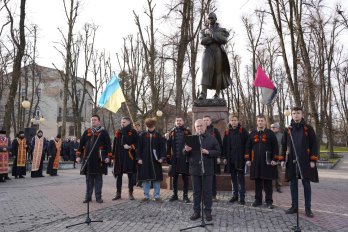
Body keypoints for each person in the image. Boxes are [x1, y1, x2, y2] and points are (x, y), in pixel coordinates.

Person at [281, 106, 319, 218]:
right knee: (293, 184)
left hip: (305, 161)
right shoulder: (288, 129)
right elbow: (283, 145)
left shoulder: (308, 128)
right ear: (291, 115)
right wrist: (283, 158)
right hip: (292, 160)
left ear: (302, 114)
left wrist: (313, 159)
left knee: (306, 184)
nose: (296, 115)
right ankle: (294, 207)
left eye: (298, 113)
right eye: (294, 113)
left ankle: (308, 208)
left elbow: (314, 144)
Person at [184, 119, 221, 221]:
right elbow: (185, 153)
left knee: (208, 192)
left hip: (207, 169)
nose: (199, 128)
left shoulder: (212, 138)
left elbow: (218, 151)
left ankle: (208, 211)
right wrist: (186, 151)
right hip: (195, 169)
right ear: (195, 128)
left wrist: (208, 152)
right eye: (197, 126)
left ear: (205, 126)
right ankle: (196, 211)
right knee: (196, 192)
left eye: (201, 126)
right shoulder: (191, 138)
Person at [245, 115, 279, 209]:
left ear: (265, 122)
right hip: (255, 162)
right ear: (257, 122)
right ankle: (258, 200)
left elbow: (275, 147)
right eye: (259, 120)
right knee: (258, 182)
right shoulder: (252, 134)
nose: (260, 122)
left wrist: (274, 159)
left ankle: (269, 201)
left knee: (268, 183)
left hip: (267, 162)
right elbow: (247, 147)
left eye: (262, 121)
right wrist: (248, 159)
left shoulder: (270, 133)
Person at [76, 115, 112, 203]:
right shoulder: (87, 132)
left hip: (99, 160)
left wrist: (108, 157)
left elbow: (108, 146)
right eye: (92, 120)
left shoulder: (104, 132)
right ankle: (88, 197)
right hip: (88, 160)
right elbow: (81, 145)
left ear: (99, 122)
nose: (93, 121)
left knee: (98, 180)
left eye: (95, 120)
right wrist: (78, 156)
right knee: (89, 179)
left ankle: (98, 197)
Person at [198, 12, 231, 100]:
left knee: (218, 73)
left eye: (212, 18)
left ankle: (217, 94)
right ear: (207, 19)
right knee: (205, 70)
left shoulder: (221, 30)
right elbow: (202, 41)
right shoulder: (203, 30)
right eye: (209, 18)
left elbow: (224, 40)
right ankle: (203, 94)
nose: (210, 19)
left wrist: (212, 34)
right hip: (208, 52)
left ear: (216, 19)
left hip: (218, 52)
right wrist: (215, 38)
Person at [137, 118, 166, 202]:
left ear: (154, 126)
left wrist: (161, 157)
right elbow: (139, 148)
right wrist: (139, 158)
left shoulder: (158, 135)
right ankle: (146, 196)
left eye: (152, 126)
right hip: (145, 160)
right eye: (149, 126)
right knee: (145, 179)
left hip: (155, 160)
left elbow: (162, 148)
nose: (150, 128)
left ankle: (157, 196)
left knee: (156, 179)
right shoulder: (142, 135)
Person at [222, 115, 249, 205]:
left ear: (238, 121)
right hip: (231, 159)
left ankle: (242, 197)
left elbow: (247, 145)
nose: (233, 122)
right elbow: (224, 146)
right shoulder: (227, 132)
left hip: (240, 159)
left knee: (241, 179)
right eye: (232, 120)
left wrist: (246, 157)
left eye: (235, 120)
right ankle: (235, 195)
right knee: (233, 178)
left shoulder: (243, 131)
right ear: (229, 122)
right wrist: (225, 157)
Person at [166, 116, 191, 203]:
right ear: (175, 122)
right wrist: (168, 156)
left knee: (185, 178)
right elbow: (168, 146)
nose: (178, 122)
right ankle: (175, 195)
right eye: (177, 121)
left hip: (184, 159)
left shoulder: (187, 132)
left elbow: (190, 144)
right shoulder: (171, 132)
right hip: (174, 159)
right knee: (174, 177)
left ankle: (185, 196)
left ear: (183, 122)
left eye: (180, 120)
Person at [112, 117, 138, 201]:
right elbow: (115, 144)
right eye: (121, 122)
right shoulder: (118, 132)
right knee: (118, 175)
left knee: (130, 175)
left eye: (124, 122)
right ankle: (118, 193)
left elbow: (137, 143)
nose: (122, 123)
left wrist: (130, 146)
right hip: (119, 156)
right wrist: (113, 157)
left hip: (129, 156)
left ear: (128, 122)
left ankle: (131, 193)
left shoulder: (133, 131)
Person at [202, 115, 222, 202]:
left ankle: (213, 195)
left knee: (212, 177)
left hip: (212, 158)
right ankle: (204, 195)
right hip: (202, 159)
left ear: (210, 121)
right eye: (204, 120)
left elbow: (219, 145)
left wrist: (218, 157)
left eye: (207, 120)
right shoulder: (201, 131)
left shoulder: (215, 131)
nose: (206, 121)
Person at [270, 122, 283, 193]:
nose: (272, 129)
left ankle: (279, 186)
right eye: (271, 127)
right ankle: (269, 186)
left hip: (278, 156)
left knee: (278, 172)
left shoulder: (281, 136)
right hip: (269, 157)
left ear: (278, 128)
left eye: (274, 127)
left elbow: (282, 147)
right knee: (269, 171)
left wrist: (279, 157)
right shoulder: (268, 135)